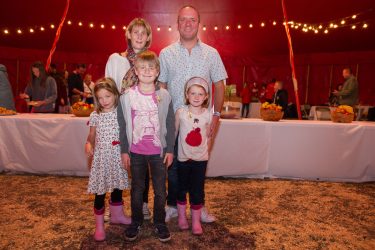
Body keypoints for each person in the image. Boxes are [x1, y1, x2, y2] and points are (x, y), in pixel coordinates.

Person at [159, 5, 227, 223]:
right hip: (175, 121)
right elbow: (161, 87)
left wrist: (216, 115)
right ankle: (171, 206)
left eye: (192, 20)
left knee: (198, 168)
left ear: (199, 23)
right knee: (173, 167)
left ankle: (199, 207)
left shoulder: (211, 54)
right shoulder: (166, 53)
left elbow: (219, 84)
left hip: (201, 122)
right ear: (177, 23)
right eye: (183, 20)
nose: (188, 23)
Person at [117, 51, 175, 242]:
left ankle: (160, 222)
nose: (147, 71)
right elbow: (123, 124)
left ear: (157, 71)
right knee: (137, 189)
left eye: (151, 68)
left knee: (160, 190)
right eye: (143, 68)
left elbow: (170, 122)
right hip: (136, 152)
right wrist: (124, 150)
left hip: (158, 153)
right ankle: (136, 222)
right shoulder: (127, 97)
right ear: (136, 70)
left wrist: (170, 150)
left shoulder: (164, 96)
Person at [105, 17, 153, 221]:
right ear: (129, 35)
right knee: (118, 162)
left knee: (144, 163)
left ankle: (142, 204)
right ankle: (115, 206)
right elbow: (108, 88)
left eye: (143, 33)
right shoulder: (116, 59)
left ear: (148, 37)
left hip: (143, 119)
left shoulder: (152, 61)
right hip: (120, 119)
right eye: (136, 32)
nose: (139, 36)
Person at [85, 77, 131, 242]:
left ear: (115, 95)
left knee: (118, 187)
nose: (104, 101)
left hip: (117, 157)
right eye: (100, 98)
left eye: (108, 96)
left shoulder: (121, 112)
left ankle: (117, 216)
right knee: (100, 192)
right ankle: (99, 226)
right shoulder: (95, 115)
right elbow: (91, 136)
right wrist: (89, 144)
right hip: (102, 159)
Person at [175, 77, 212, 235]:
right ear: (187, 95)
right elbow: (175, 134)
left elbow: (209, 136)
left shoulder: (208, 114)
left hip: (200, 160)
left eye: (200, 94)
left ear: (206, 97)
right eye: (193, 93)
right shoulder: (181, 112)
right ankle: (182, 217)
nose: (196, 97)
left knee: (197, 190)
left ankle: (196, 221)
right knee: (181, 188)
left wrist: (206, 153)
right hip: (183, 159)